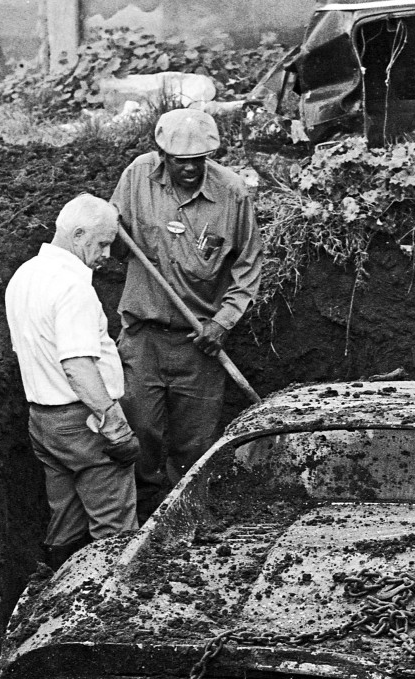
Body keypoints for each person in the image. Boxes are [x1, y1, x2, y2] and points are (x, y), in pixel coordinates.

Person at [110, 107, 263, 517]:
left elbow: (248, 267)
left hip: (200, 346)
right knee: (139, 437)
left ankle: (187, 523)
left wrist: (223, 321)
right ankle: (138, 522)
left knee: (194, 448)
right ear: (163, 156)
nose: (192, 168)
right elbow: (114, 237)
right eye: (182, 161)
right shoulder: (137, 177)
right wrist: (113, 236)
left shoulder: (232, 194)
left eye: (200, 160)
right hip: (143, 339)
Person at [5, 194, 140, 570]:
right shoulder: (72, 287)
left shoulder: (24, 275)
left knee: (66, 518)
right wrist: (114, 427)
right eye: (102, 242)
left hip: (44, 421)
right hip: (85, 423)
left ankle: (54, 589)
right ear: (78, 234)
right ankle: (111, 609)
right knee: (115, 531)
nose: (108, 253)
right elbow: (78, 366)